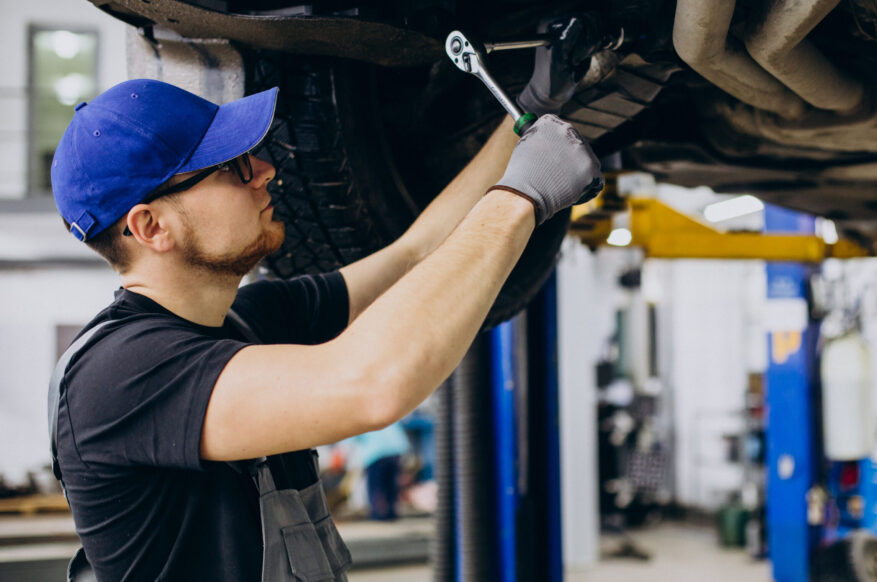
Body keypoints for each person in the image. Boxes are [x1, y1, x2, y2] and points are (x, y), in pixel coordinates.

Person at [48, 18, 601, 582]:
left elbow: (412, 253)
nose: (265, 170)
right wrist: (519, 199)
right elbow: (372, 386)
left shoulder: (248, 322)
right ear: (151, 226)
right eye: (233, 166)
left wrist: (528, 110)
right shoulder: (118, 375)